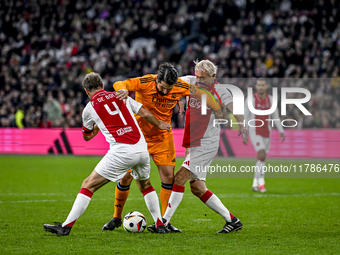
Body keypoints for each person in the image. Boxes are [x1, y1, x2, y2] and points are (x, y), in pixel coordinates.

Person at [44, 72, 171, 235]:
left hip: (122, 151)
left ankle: (66, 227)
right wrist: (159, 123)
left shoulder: (89, 109)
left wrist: (97, 127)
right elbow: (144, 113)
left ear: (86, 91)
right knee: (145, 185)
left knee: (87, 185)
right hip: (141, 148)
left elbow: (86, 136)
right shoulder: (121, 96)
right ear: (103, 86)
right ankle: (160, 224)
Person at [102, 62, 223, 233]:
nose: (165, 92)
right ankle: (116, 217)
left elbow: (202, 93)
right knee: (126, 178)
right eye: (163, 87)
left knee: (168, 179)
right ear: (157, 80)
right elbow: (121, 83)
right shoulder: (145, 82)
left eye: (169, 89)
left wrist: (217, 109)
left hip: (162, 138)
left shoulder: (179, 86)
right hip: (139, 137)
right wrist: (122, 90)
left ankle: (164, 222)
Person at [160, 60, 249, 233]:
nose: (199, 80)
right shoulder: (191, 81)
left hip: (206, 143)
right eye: (197, 76)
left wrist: (242, 125)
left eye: (203, 77)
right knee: (197, 188)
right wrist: (177, 98)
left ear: (213, 76)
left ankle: (164, 222)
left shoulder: (221, 91)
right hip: (193, 142)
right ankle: (232, 220)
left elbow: (234, 108)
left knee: (179, 179)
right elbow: (172, 83)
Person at [243, 78, 285, 192]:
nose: (261, 87)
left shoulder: (270, 99)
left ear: (266, 87)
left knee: (262, 158)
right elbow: (246, 116)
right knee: (261, 154)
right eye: (259, 85)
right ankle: (261, 184)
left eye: (263, 85)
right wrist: (245, 131)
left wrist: (281, 130)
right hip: (254, 130)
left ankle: (255, 183)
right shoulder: (251, 99)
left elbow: (275, 116)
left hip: (266, 131)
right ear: (256, 87)